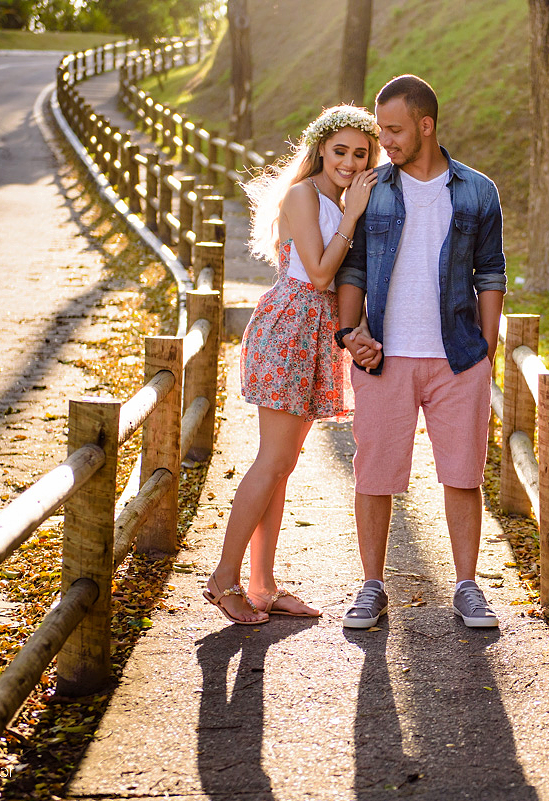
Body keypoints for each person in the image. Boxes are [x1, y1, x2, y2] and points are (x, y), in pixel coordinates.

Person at [334, 75, 506, 629]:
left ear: (425, 126)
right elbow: (353, 268)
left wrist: (485, 350)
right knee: (374, 474)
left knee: (463, 475)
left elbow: (490, 274)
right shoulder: (371, 188)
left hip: (457, 357)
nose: (382, 141)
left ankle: (467, 587)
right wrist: (349, 332)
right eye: (380, 129)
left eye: (394, 130)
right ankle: (371, 586)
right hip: (384, 355)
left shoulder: (477, 191)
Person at [204, 105, 380, 625]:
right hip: (290, 326)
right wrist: (352, 215)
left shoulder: (338, 200)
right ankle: (223, 579)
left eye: (361, 154)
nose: (350, 162)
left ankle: (263, 586)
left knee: (282, 466)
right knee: (272, 461)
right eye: (341, 151)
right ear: (321, 148)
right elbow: (321, 275)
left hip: (317, 332)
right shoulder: (304, 195)